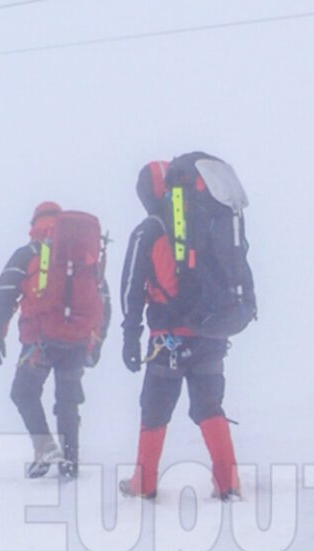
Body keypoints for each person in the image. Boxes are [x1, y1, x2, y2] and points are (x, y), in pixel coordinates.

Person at [118, 160, 241, 501]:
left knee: (154, 409)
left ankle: (144, 483)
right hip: (210, 334)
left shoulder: (149, 230)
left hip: (166, 339)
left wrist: (130, 336)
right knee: (209, 407)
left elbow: (131, 288)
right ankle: (228, 483)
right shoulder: (205, 221)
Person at [0, 202, 111, 480]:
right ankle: (71, 461)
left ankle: (45, 448)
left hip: (39, 340)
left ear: (34, 224)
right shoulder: (84, 255)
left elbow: (4, 293)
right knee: (68, 399)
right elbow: (103, 297)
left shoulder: (28, 253)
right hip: (77, 340)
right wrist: (97, 340)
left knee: (23, 392)